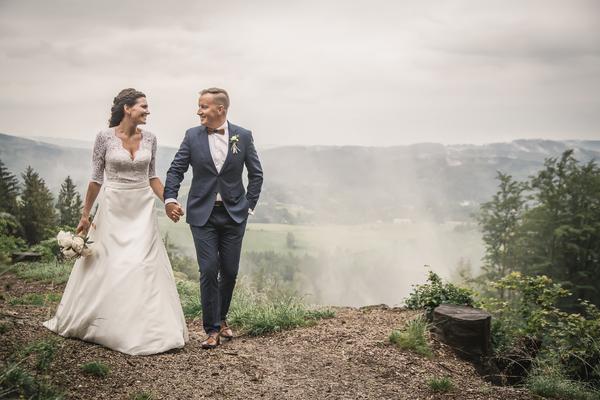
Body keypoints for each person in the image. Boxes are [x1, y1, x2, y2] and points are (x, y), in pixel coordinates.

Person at [43, 88, 189, 355]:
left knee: (142, 263)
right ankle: (104, 323)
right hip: (113, 208)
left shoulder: (151, 138)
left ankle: (146, 328)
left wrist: (168, 201)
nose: (148, 111)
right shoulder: (104, 137)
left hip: (142, 208)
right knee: (112, 264)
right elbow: (96, 179)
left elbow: (152, 176)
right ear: (127, 108)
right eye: (143, 106)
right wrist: (85, 215)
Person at [164, 87, 263, 349]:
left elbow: (256, 174)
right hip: (202, 214)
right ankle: (211, 329)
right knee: (208, 269)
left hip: (234, 215)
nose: (199, 111)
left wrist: (248, 207)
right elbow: (176, 170)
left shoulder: (243, 136)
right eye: (199, 106)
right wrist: (170, 198)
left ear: (220, 109)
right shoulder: (192, 136)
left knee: (229, 271)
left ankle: (221, 318)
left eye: (203, 106)